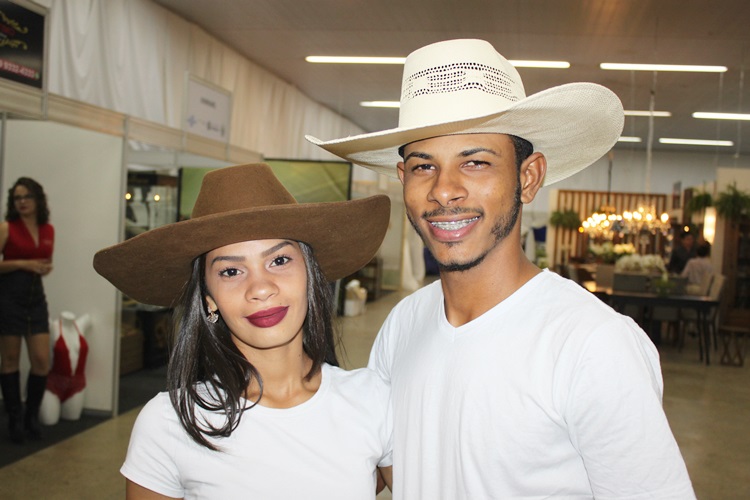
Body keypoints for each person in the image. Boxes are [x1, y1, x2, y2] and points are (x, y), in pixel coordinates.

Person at [307, 39, 695, 498]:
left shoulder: (593, 344)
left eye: (475, 162)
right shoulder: (404, 323)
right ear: (402, 178)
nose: (444, 190)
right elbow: (403, 470)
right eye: (423, 166)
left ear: (527, 178)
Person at [93, 163, 393, 499]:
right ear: (208, 299)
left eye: (279, 261)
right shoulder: (170, 422)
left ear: (310, 274)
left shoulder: (372, 399)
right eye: (231, 271)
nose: (260, 288)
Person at [0, 177, 54, 444]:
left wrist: (42, 267)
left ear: (37, 199)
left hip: (35, 299)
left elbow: (46, 261)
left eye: (27, 197)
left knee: (41, 360)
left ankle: (31, 416)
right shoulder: (7, 228)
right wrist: (23, 263)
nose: (22, 202)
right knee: (10, 359)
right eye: (17, 198)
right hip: (9, 298)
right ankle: (15, 419)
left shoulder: (47, 229)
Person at [39, 311, 91, 425]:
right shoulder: (53, 327)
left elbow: (89, 317)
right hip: (54, 383)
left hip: (77, 384)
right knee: (48, 421)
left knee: (72, 419)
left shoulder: (81, 325)